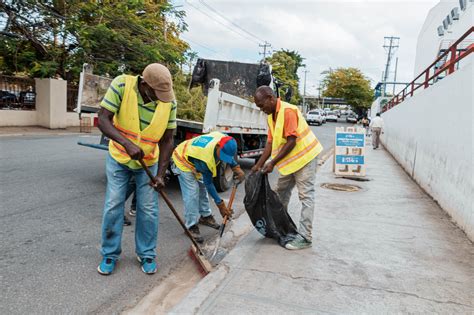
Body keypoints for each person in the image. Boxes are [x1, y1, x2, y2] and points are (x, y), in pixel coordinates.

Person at [96, 63, 176, 275]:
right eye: (156, 93)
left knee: (148, 209)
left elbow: (168, 140)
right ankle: (109, 254)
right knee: (113, 205)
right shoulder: (121, 85)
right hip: (119, 159)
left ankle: (147, 253)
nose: (161, 98)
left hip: (148, 162)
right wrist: (127, 143)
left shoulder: (169, 101)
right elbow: (103, 120)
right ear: (144, 84)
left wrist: (160, 174)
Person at [251, 86, 323, 250]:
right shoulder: (271, 116)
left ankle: (305, 237)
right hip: (291, 161)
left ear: (270, 98)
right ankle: (279, 227)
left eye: (262, 105)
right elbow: (270, 143)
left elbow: (291, 141)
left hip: (305, 158)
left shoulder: (288, 111)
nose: (262, 110)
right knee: (279, 193)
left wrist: (272, 163)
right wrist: (258, 165)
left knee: (306, 196)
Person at [172, 132, 245, 242]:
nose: (224, 159)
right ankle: (191, 226)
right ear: (218, 146)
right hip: (182, 159)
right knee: (192, 193)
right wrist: (220, 204)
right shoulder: (205, 159)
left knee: (202, 189)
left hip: (195, 156)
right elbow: (209, 183)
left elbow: (228, 154)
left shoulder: (224, 138)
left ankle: (205, 216)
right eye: (223, 154)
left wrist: (236, 168)